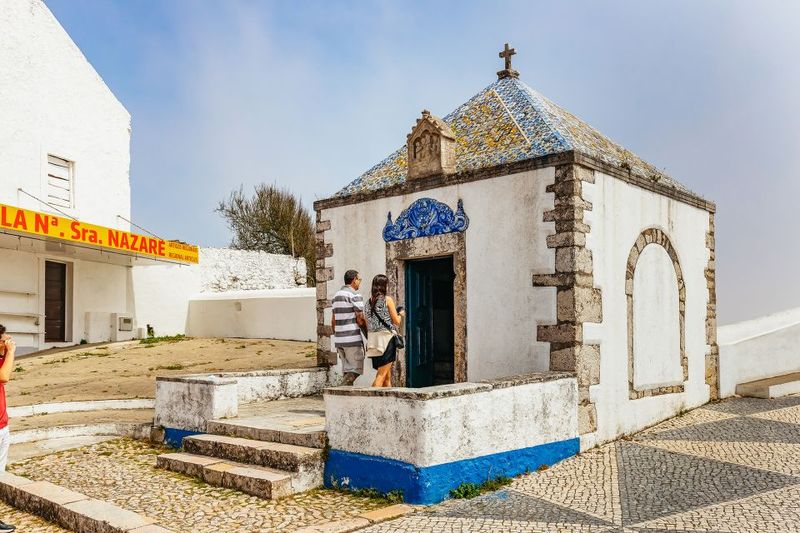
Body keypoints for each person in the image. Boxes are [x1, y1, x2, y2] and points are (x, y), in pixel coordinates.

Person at [364, 274, 404, 387]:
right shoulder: (387, 300)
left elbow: (368, 324)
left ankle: (388, 397)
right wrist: (401, 314)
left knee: (387, 377)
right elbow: (396, 321)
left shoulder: (368, 303)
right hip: (386, 340)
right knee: (380, 376)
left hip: (373, 341)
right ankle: (370, 398)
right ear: (384, 286)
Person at [331, 270, 366, 386]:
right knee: (355, 370)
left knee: (347, 370)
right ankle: (338, 390)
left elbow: (333, 320)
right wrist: (368, 335)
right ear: (354, 280)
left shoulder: (336, 296)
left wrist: (337, 336)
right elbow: (360, 319)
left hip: (339, 340)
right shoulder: (355, 295)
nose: (359, 282)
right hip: (352, 339)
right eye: (359, 280)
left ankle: (345, 395)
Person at [0, 325, 16, 533]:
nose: (7, 339)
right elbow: (4, 376)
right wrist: (10, 352)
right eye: (3, 337)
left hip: (2, 426)